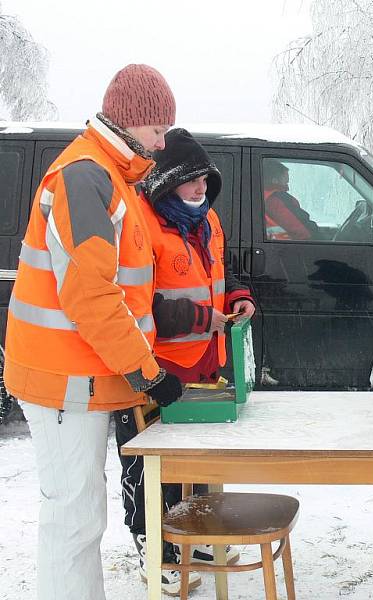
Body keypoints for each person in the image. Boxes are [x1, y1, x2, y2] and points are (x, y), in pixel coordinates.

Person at [3, 64, 182, 600]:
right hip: (61, 378)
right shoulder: (86, 176)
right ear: (131, 123)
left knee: (82, 512)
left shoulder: (106, 175)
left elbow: (120, 291)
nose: (163, 140)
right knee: (73, 517)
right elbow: (91, 296)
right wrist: (147, 373)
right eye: (157, 130)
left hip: (75, 376)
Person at [114, 128, 256, 594]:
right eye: (189, 180)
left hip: (202, 366)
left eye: (204, 179)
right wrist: (201, 317)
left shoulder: (209, 221)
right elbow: (137, 305)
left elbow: (220, 269)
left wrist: (237, 296)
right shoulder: (142, 226)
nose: (199, 188)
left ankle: (190, 538)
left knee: (193, 465)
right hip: (152, 371)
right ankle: (153, 548)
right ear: (166, 182)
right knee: (149, 468)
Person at [262, 158, 321, 239]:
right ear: (275, 181)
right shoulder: (275, 199)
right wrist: (319, 238)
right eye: (285, 182)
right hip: (286, 248)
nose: (287, 186)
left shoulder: (261, 195)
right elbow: (302, 230)